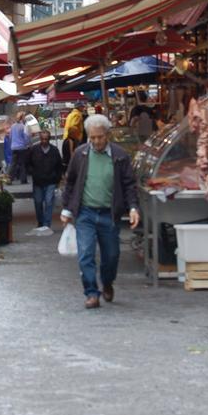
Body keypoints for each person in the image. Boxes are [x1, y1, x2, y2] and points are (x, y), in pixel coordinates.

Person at [60, 114, 140, 309]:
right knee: (85, 254)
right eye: (92, 137)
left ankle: (108, 282)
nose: (96, 141)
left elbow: (129, 184)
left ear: (108, 135)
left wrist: (133, 208)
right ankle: (91, 293)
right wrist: (67, 209)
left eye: (100, 137)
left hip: (109, 213)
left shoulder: (120, 156)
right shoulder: (80, 154)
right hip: (85, 213)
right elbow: (70, 182)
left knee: (111, 255)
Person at [26, 130, 63, 235]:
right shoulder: (34, 150)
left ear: (49, 139)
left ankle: (47, 224)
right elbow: (28, 163)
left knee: (49, 201)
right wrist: (32, 172)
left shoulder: (54, 151)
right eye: (42, 139)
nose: (44, 141)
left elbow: (59, 165)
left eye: (46, 139)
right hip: (38, 181)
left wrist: (57, 178)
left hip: (51, 180)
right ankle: (41, 221)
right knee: (38, 202)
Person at [62, 102, 86, 173]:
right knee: (72, 154)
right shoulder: (77, 114)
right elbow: (73, 126)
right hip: (73, 137)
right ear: (79, 107)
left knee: (67, 156)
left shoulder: (71, 114)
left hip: (67, 136)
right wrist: (77, 136)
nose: (83, 108)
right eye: (82, 107)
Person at [7, 111, 30, 183]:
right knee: (22, 164)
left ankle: (9, 179)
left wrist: (12, 144)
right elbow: (26, 137)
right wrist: (27, 144)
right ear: (22, 118)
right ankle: (23, 180)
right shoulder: (23, 126)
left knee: (13, 164)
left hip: (14, 147)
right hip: (22, 147)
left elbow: (10, 137)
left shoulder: (13, 126)